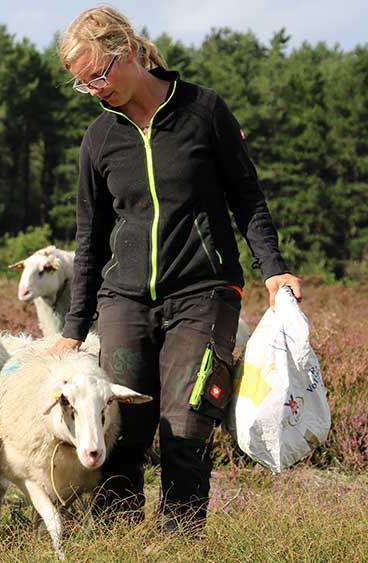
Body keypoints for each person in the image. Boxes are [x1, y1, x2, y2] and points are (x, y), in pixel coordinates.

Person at [46, 6, 302, 531]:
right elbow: (90, 241)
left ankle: (179, 542)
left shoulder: (204, 111)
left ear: (129, 52)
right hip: (123, 300)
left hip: (205, 292)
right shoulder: (99, 138)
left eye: (98, 74)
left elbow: (246, 197)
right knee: (120, 425)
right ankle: (115, 538)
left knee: (186, 426)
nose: (94, 89)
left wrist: (273, 268)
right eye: (82, 83)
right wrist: (73, 331)